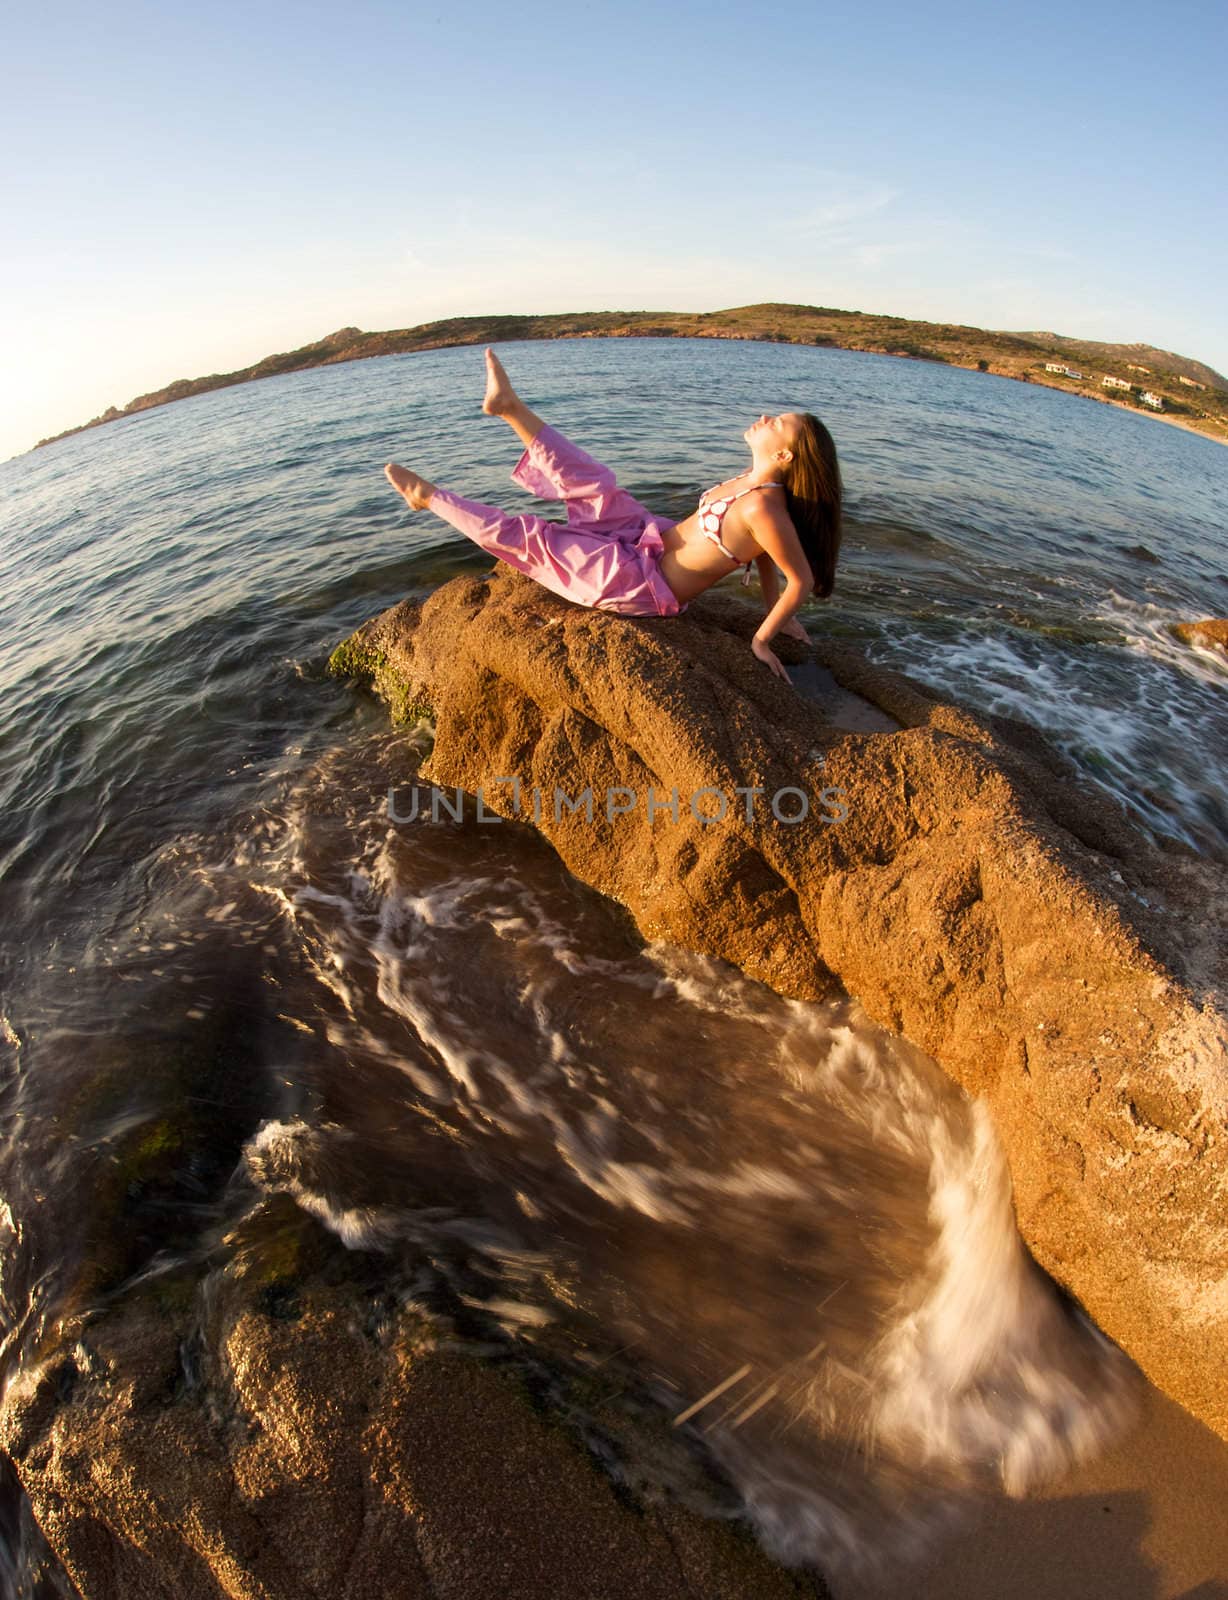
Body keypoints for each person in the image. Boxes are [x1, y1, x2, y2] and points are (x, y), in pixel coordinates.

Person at [384, 348, 842, 683]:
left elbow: (797, 578)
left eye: (777, 423)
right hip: (648, 538)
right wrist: (772, 607)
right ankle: (510, 409)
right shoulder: (755, 485)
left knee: (531, 538)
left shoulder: (764, 504)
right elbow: (764, 551)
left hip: (640, 582)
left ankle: (429, 497)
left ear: (784, 453)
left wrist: (763, 639)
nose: (764, 417)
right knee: (592, 481)